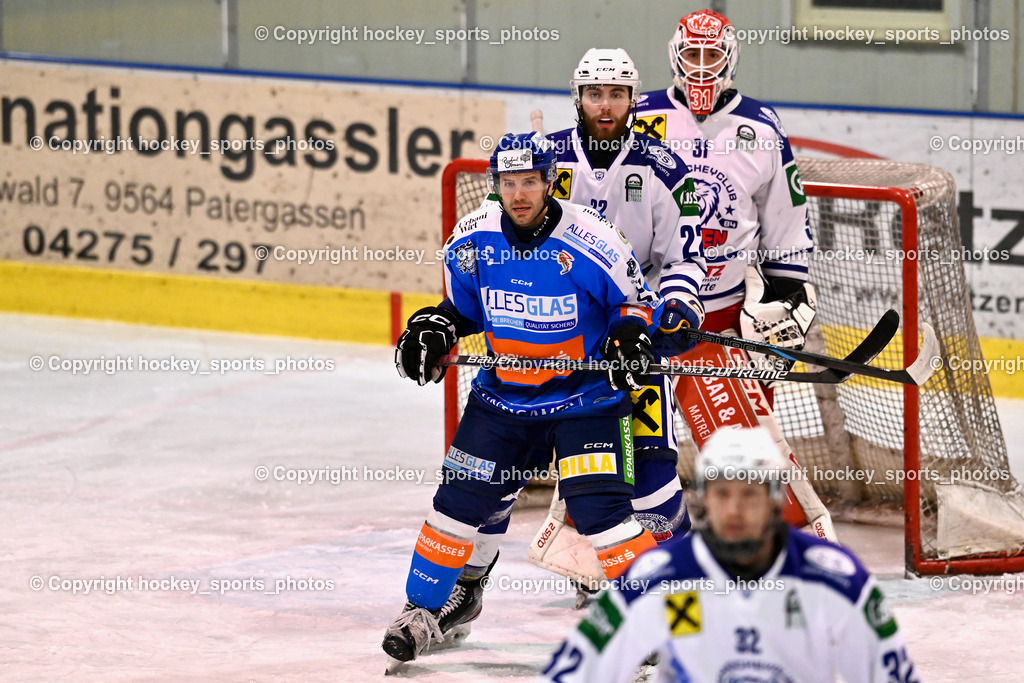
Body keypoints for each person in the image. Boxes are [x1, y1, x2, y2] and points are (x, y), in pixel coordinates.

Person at [383, 131, 661, 666]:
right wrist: (434, 325)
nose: (519, 194)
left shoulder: (593, 240)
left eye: (529, 181)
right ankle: (424, 610)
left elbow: (634, 303)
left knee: (601, 513)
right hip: (504, 398)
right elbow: (461, 309)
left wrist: (629, 332)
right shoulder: (471, 240)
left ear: (549, 181)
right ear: (497, 186)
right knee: (457, 506)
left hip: (587, 400)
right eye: (508, 183)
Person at [460, 50, 707, 599]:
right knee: (492, 474)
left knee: (645, 472)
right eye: (594, 93)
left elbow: (684, 255)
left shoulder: (665, 169)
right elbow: (496, 232)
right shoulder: (541, 162)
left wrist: (678, 300)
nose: (605, 104)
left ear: (633, 99)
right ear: (577, 97)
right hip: (548, 335)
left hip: (628, 337)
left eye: (616, 94)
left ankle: (678, 588)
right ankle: (467, 586)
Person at [541, 427, 918, 682]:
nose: (734, 510)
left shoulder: (835, 577)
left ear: (774, 501)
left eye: (749, 494)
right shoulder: (657, 576)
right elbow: (576, 671)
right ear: (705, 499)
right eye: (722, 494)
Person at [634, 9, 816, 388]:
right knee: (641, 445)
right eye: (693, 55)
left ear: (729, 58)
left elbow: (787, 220)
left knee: (746, 447)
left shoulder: (761, 126)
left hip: (729, 319)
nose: (701, 68)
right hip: (648, 313)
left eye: (712, 56)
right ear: (675, 57)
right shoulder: (639, 116)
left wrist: (786, 295)